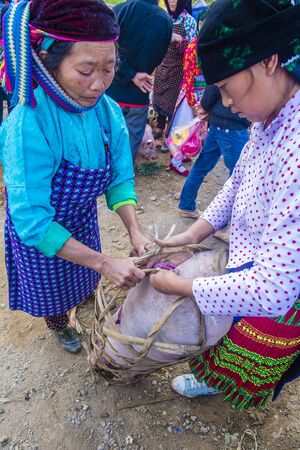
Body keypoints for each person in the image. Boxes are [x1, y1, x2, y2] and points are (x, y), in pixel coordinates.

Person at [150, 0, 300, 409]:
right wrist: (195, 231)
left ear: (268, 62)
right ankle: (215, 377)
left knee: (253, 344)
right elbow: (238, 182)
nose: (226, 104)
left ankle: (231, 386)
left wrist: (181, 287)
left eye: (229, 90)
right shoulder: (269, 116)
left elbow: (274, 290)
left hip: (279, 290)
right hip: (251, 264)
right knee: (226, 330)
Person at [0, 0, 151, 354]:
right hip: (42, 237)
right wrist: (103, 262)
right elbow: (32, 221)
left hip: (82, 222)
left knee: (83, 278)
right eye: (85, 71)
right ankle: (58, 324)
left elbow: (118, 176)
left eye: (110, 68)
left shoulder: (107, 110)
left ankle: (80, 297)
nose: (99, 84)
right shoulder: (28, 123)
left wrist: (134, 230)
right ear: (49, 62)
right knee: (53, 292)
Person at [106, 0, 173, 161]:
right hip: (139, 93)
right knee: (128, 149)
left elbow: (107, 50)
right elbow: (160, 56)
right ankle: (120, 181)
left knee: (105, 140)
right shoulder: (166, 20)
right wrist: (136, 74)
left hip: (112, 91)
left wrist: (130, 74)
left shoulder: (122, 9)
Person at [178, 83, 250, 217]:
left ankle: (186, 206)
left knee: (200, 167)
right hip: (233, 129)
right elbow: (209, 96)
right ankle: (223, 223)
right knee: (237, 176)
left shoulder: (227, 66)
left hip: (217, 126)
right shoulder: (238, 67)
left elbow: (208, 99)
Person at [152, 0, 197, 145]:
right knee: (159, 96)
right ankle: (159, 126)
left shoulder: (188, 21)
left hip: (178, 70)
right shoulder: (164, 17)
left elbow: (191, 50)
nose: (171, 1)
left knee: (173, 104)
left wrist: (179, 41)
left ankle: (170, 136)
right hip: (162, 65)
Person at [167, 35, 207, 176]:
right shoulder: (192, 47)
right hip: (192, 96)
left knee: (192, 131)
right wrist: (192, 102)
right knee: (184, 129)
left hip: (200, 95)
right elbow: (188, 76)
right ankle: (175, 161)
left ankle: (182, 155)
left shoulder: (204, 44)